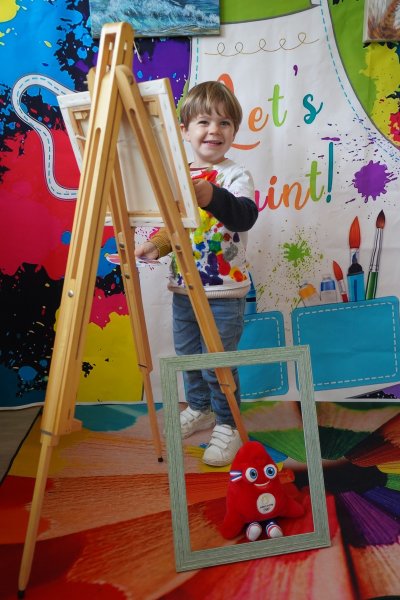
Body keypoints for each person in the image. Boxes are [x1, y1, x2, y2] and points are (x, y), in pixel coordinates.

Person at [135, 81, 258, 467]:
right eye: (204, 121)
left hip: (224, 291)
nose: (214, 130)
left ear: (234, 132)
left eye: (224, 123)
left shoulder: (235, 175)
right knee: (188, 354)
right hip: (184, 288)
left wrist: (211, 196)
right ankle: (200, 408)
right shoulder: (180, 175)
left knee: (217, 359)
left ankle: (228, 423)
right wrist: (156, 246)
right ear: (184, 130)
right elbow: (174, 227)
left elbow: (244, 216)